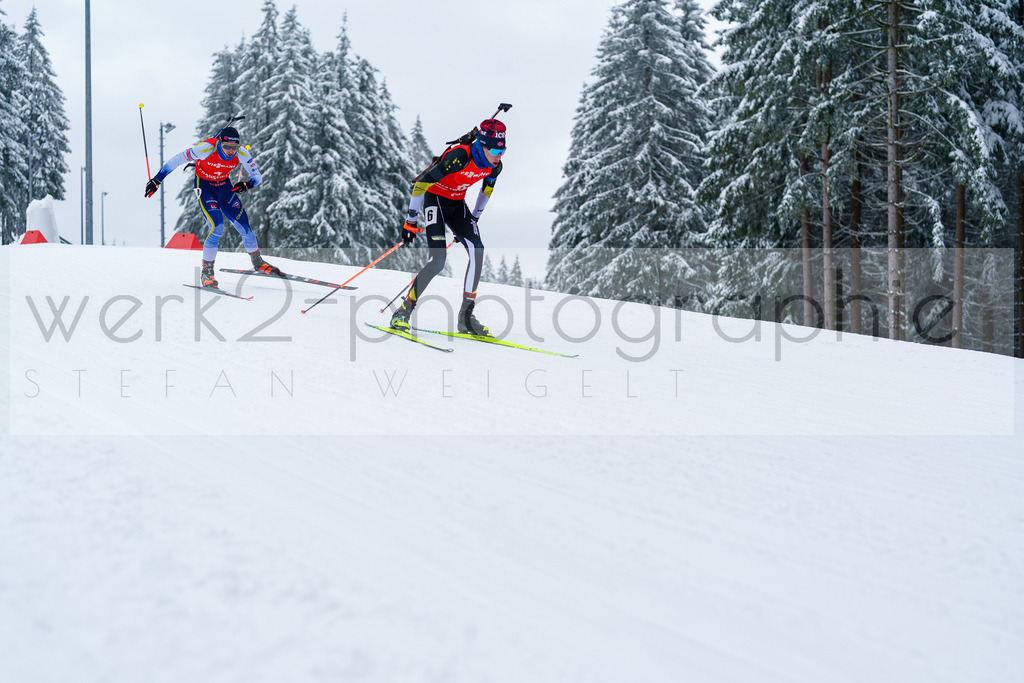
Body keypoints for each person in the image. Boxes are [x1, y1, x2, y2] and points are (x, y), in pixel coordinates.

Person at [391, 118, 506, 336]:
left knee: (477, 250)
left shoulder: (495, 166)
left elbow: (486, 190)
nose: (498, 155)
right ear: (482, 145)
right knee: (438, 261)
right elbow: (421, 184)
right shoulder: (460, 157)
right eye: (494, 150)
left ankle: (466, 318)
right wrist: (411, 220)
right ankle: (403, 312)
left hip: (457, 205)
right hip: (435, 200)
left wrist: (474, 218)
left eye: (502, 151)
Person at [144, 126, 282, 287]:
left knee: (245, 226)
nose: (231, 151)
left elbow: (257, 176)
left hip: (224, 187)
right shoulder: (206, 148)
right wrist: (157, 179)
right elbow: (177, 160)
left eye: (234, 147)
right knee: (217, 226)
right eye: (227, 146)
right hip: (205, 187)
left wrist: (247, 184)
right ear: (219, 143)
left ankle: (258, 262)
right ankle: (207, 272)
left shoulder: (241, 152)